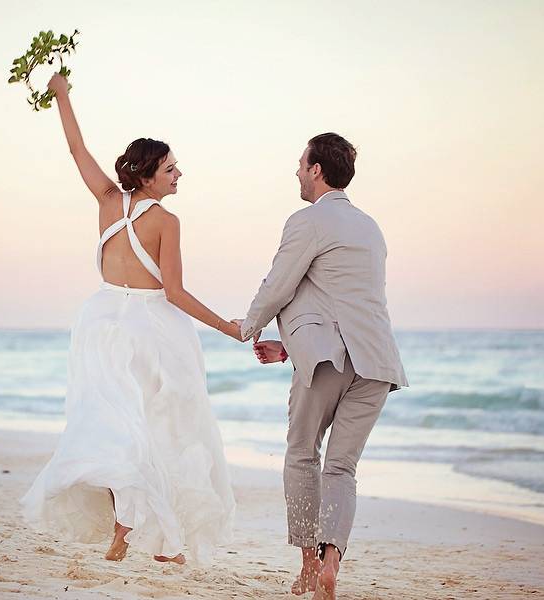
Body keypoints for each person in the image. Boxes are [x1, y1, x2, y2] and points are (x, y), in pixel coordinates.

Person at [20, 73, 238, 566]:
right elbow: (176, 294)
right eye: (170, 168)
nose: (178, 174)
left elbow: (77, 150)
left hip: (99, 324)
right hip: (149, 330)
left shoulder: (106, 201)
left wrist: (61, 95)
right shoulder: (166, 221)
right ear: (147, 175)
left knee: (117, 429)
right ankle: (157, 538)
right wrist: (229, 327)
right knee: (165, 429)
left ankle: (129, 529)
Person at [235, 133, 408, 599]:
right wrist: (291, 348)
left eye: (300, 163)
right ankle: (333, 559)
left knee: (302, 455)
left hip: (329, 361)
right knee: (342, 469)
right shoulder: (371, 227)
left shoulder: (308, 220)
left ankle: (310, 567)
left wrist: (247, 326)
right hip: (377, 363)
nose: (296, 170)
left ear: (316, 169)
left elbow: (280, 283)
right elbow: (344, 302)